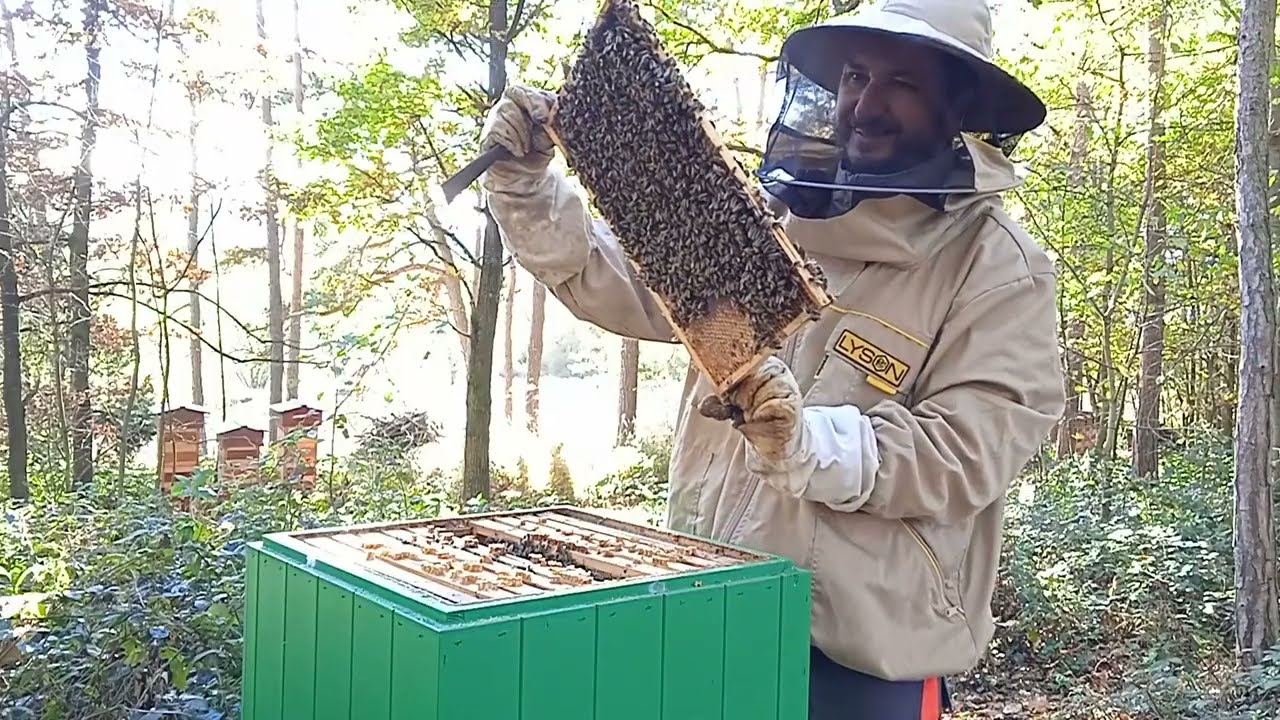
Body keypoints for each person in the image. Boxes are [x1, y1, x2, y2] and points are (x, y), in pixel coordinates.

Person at [477, 0, 1066, 717]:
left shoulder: (997, 270)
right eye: (855, 75)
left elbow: (973, 445)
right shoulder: (778, 214)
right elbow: (621, 285)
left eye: (902, 83)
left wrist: (815, 443)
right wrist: (527, 186)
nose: (866, 104)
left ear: (958, 101)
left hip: (854, 661)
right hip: (706, 604)